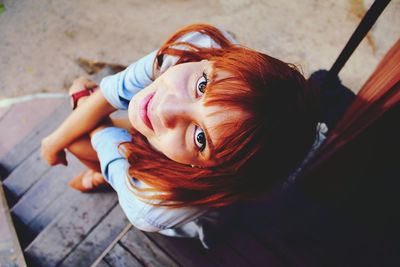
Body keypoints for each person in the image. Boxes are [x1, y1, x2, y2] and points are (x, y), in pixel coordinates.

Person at [41, 24, 322, 249]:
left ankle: (108, 174)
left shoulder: (152, 205)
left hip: (190, 203)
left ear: (213, 170)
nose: (165, 107)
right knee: (84, 121)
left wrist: (83, 110)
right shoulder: (204, 45)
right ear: (216, 60)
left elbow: (103, 123)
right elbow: (114, 90)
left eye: (201, 138)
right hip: (168, 152)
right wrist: (53, 141)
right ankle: (109, 170)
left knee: (81, 134)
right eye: (202, 84)